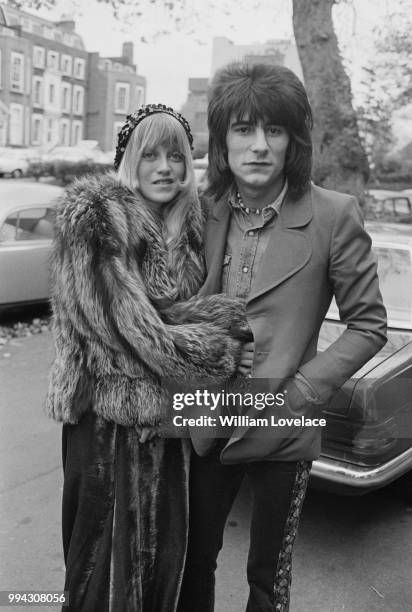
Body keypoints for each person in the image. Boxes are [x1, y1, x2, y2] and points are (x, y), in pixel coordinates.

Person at [177, 63, 387, 612]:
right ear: (222, 140)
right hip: (204, 415)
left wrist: (301, 392)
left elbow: (368, 325)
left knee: (267, 580)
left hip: (284, 421)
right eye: (243, 129)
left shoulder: (334, 215)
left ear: (294, 139)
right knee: (190, 562)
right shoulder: (201, 210)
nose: (259, 146)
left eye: (275, 130)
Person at [45, 103, 249, 612]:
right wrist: (220, 334)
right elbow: (130, 332)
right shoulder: (95, 216)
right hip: (105, 425)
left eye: (176, 156)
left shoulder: (195, 226)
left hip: (171, 425)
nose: (165, 168)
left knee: (166, 569)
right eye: (150, 155)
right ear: (128, 162)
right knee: (98, 573)